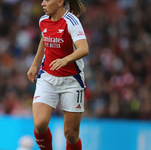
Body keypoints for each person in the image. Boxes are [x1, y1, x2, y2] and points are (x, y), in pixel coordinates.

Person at [27, 0, 89, 149]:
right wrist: (34, 64)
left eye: (47, 0)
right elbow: (44, 40)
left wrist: (66, 59)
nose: (42, 3)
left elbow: (84, 48)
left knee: (71, 134)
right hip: (47, 77)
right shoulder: (43, 20)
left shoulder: (72, 22)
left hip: (72, 81)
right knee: (40, 124)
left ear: (60, 2)